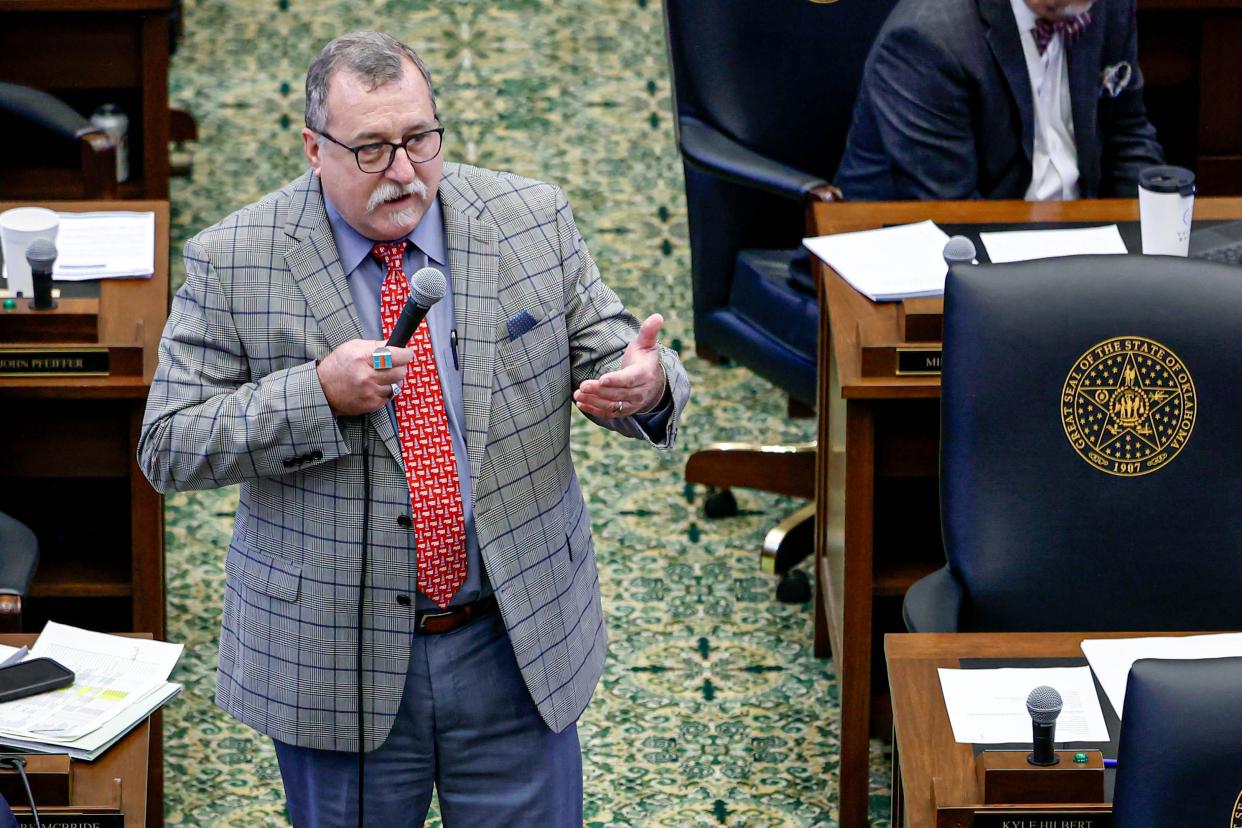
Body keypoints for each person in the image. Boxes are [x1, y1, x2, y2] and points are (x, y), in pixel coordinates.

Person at [139, 30, 689, 827]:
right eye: (371, 149)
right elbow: (168, 444)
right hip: (338, 660)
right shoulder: (237, 259)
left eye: (420, 139)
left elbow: (620, 351)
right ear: (313, 147)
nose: (403, 171)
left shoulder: (530, 220)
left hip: (512, 639)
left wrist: (646, 385)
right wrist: (317, 395)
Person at [835, 0, 1165, 200]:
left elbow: (1127, 132)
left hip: (1076, 250)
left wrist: (1152, 242)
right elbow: (949, 212)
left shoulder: (1109, 8)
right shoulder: (928, 40)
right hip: (918, 271)